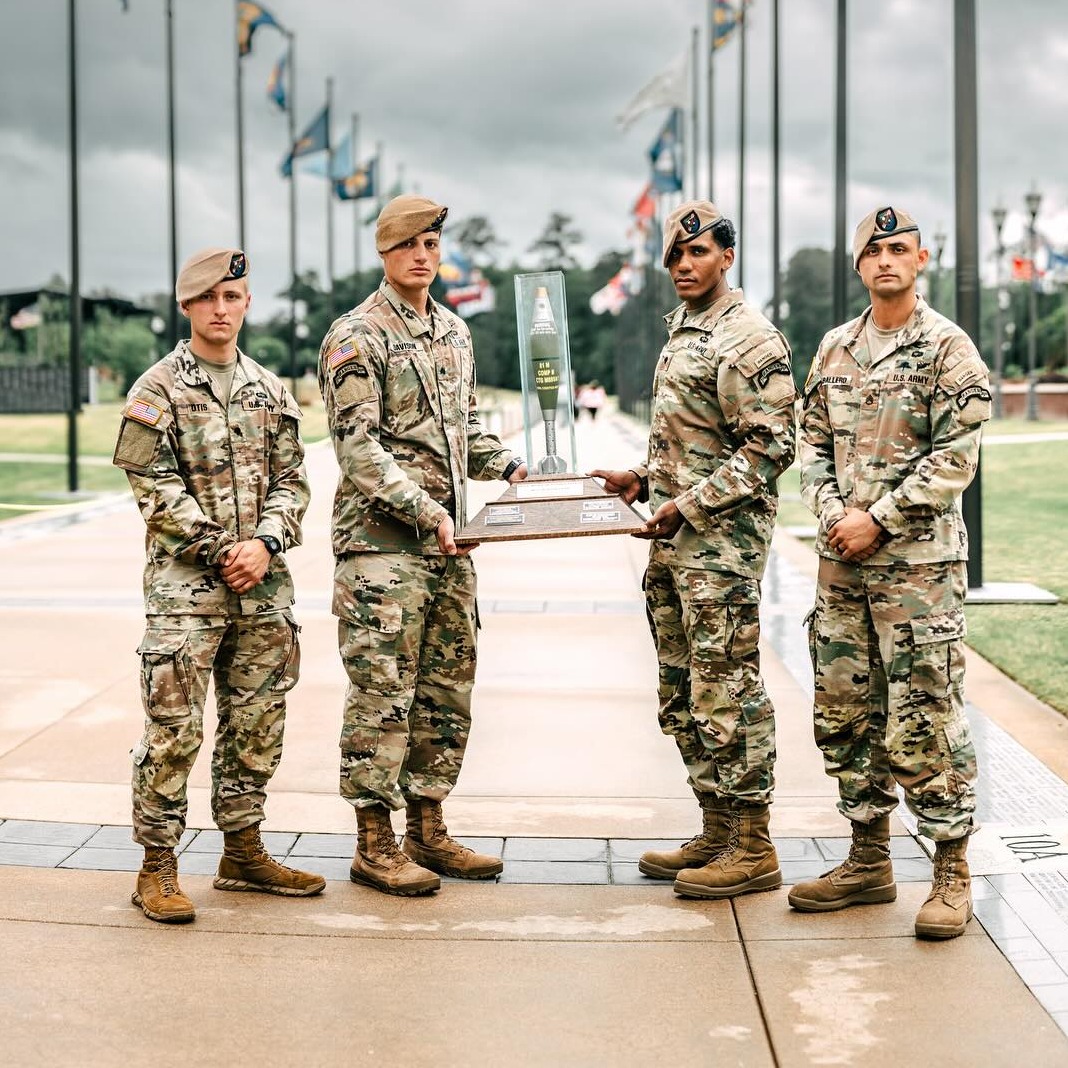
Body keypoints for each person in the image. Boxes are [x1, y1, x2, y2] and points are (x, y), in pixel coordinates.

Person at [790, 205, 990, 940]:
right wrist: (833, 510)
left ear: (921, 258)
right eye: (873, 251)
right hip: (842, 567)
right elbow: (809, 443)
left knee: (925, 712)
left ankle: (950, 868)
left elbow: (955, 458)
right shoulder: (835, 348)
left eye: (898, 249)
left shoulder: (947, 349)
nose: (885, 261)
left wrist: (880, 518)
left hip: (918, 572)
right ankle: (867, 858)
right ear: (858, 264)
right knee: (845, 710)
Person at [318, 194, 527, 896]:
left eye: (432, 243)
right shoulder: (356, 336)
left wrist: (514, 467)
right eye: (409, 243)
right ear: (385, 252)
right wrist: (428, 509)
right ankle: (374, 841)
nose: (423, 255)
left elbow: (466, 430)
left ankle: (428, 828)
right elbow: (359, 448)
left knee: (445, 690)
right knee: (383, 693)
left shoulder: (454, 334)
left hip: (446, 548)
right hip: (381, 550)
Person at [113, 247, 325, 925]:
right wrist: (220, 549)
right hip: (186, 594)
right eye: (207, 298)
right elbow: (153, 488)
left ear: (247, 303)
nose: (220, 309)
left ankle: (243, 850)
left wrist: (264, 544)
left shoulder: (270, 389)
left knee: (257, 725)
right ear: (186, 307)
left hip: (263, 591)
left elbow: (295, 481)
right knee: (174, 730)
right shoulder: (156, 390)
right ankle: (157, 865)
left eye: (231, 297)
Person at [592, 200, 796, 899]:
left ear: (727, 257)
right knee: (682, 692)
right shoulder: (685, 331)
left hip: (721, 553)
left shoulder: (749, 338)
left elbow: (772, 446)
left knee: (727, 692)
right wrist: (644, 480)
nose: (684, 265)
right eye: (675, 256)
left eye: (698, 253)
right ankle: (716, 826)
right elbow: (693, 442)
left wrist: (688, 503)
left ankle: (754, 844)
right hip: (676, 546)